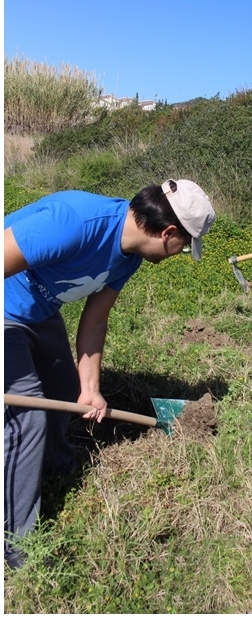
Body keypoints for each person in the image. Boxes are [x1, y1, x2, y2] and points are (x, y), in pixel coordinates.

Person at [4, 179, 215, 568]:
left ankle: (52, 467)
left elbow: (96, 317)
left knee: (65, 392)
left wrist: (90, 388)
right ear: (169, 233)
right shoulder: (75, 222)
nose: (180, 253)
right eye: (184, 245)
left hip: (39, 312)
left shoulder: (128, 255)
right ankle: (16, 546)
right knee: (27, 418)